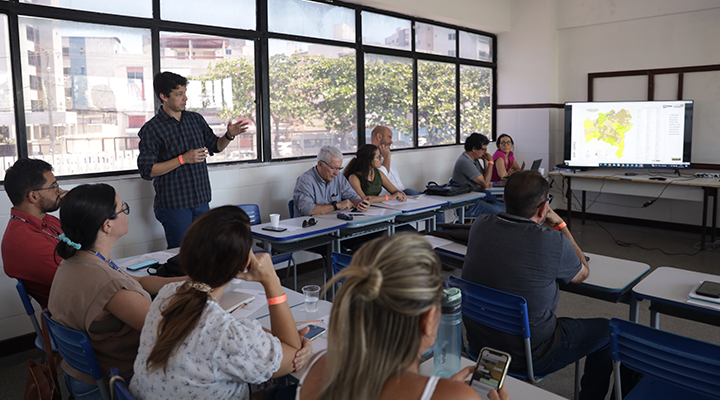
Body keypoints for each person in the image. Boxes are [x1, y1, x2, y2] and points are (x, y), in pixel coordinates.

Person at [295, 234, 509, 400]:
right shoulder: (458, 397)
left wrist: (444, 390)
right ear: (428, 320)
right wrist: (449, 393)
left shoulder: (317, 366)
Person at [130, 206, 312, 400]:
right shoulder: (227, 336)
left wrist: (271, 339)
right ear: (244, 264)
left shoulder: (167, 295)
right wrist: (272, 282)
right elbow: (293, 355)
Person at [461, 171, 612, 400]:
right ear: (543, 208)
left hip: (480, 345)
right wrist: (560, 224)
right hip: (530, 355)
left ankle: (489, 383)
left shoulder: (480, 225)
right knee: (608, 331)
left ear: (504, 200)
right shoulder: (553, 242)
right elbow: (582, 272)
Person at [48, 184, 185, 400]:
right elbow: (167, 331)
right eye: (123, 209)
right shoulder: (109, 285)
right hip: (114, 382)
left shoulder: (80, 259)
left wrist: (191, 281)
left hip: (81, 377)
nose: (126, 214)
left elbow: (139, 281)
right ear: (107, 225)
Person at [137, 71, 249, 249]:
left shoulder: (195, 120)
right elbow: (147, 170)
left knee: (205, 250)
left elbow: (216, 146)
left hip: (201, 200)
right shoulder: (152, 129)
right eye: (179, 94)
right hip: (175, 205)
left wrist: (229, 135)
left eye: (185, 93)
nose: (185, 98)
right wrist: (183, 159)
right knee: (182, 254)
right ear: (164, 97)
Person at [2, 158, 67, 308]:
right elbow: (82, 276)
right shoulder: (26, 242)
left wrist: (73, 208)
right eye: (53, 186)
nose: (59, 191)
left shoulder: (46, 220)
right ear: (33, 196)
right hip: (76, 310)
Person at [293, 145, 370, 217]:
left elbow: (352, 196)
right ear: (320, 164)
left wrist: (360, 204)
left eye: (339, 168)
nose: (336, 173)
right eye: (333, 168)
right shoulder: (305, 181)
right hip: (310, 224)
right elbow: (307, 210)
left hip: (334, 222)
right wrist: (336, 206)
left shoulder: (339, 177)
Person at [451, 133, 506, 217]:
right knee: (503, 214)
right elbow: (485, 183)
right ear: (474, 149)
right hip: (469, 204)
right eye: (483, 149)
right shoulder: (465, 162)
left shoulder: (474, 159)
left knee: (509, 207)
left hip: (479, 197)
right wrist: (491, 162)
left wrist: (485, 161)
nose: (485, 152)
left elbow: (485, 178)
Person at [370, 125, 422, 196]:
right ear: (379, 137)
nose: (391, 141)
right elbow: (380, 177)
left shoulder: (386, 153)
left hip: (402, 192)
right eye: (389, 137)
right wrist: (387, 157)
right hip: (389, 195)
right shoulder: (369, 157)